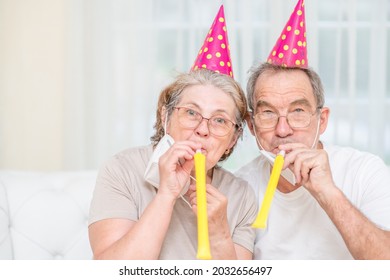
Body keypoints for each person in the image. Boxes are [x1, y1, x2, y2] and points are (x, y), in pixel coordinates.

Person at [88, 5, 257, 260]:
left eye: (220, 120)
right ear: (166, 117)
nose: (202, 129)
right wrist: (166, 194)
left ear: (233, 139)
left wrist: (219, 231)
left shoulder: (241, 195)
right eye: (191, 113)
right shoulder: (122, 170)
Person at [236, 0, 390, 259]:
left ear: (323, 120)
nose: (283, 130)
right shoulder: (240, 187)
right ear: (251, 125)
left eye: (297, 112)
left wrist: (327, 192)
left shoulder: (365, 171)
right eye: (268, 113)